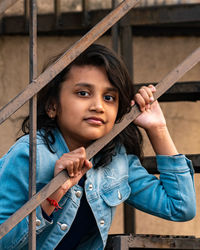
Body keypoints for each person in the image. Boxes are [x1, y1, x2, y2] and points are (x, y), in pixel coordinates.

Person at [0, 44, 196, 250]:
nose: (98, 106)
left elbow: (180, 207)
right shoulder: (30, 155)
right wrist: (52, 195)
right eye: (83, 93)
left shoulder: (115, 160)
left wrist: (157, 128)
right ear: (52, 106)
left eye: (109, 98)